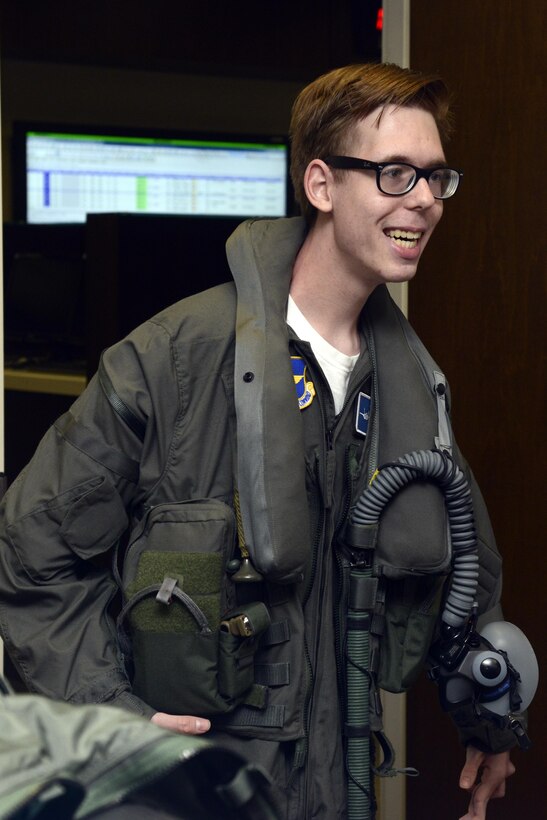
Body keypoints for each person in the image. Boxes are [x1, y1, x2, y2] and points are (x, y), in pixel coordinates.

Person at [0, 63, 522, 820]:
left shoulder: (411, 386)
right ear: (320, 183)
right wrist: (112, 719)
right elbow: (28, 552)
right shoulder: (173, 358)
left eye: (435, 177)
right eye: (394, 173)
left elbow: (465, 570)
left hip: (340, 781)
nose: (422, 201)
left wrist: (490, 719)